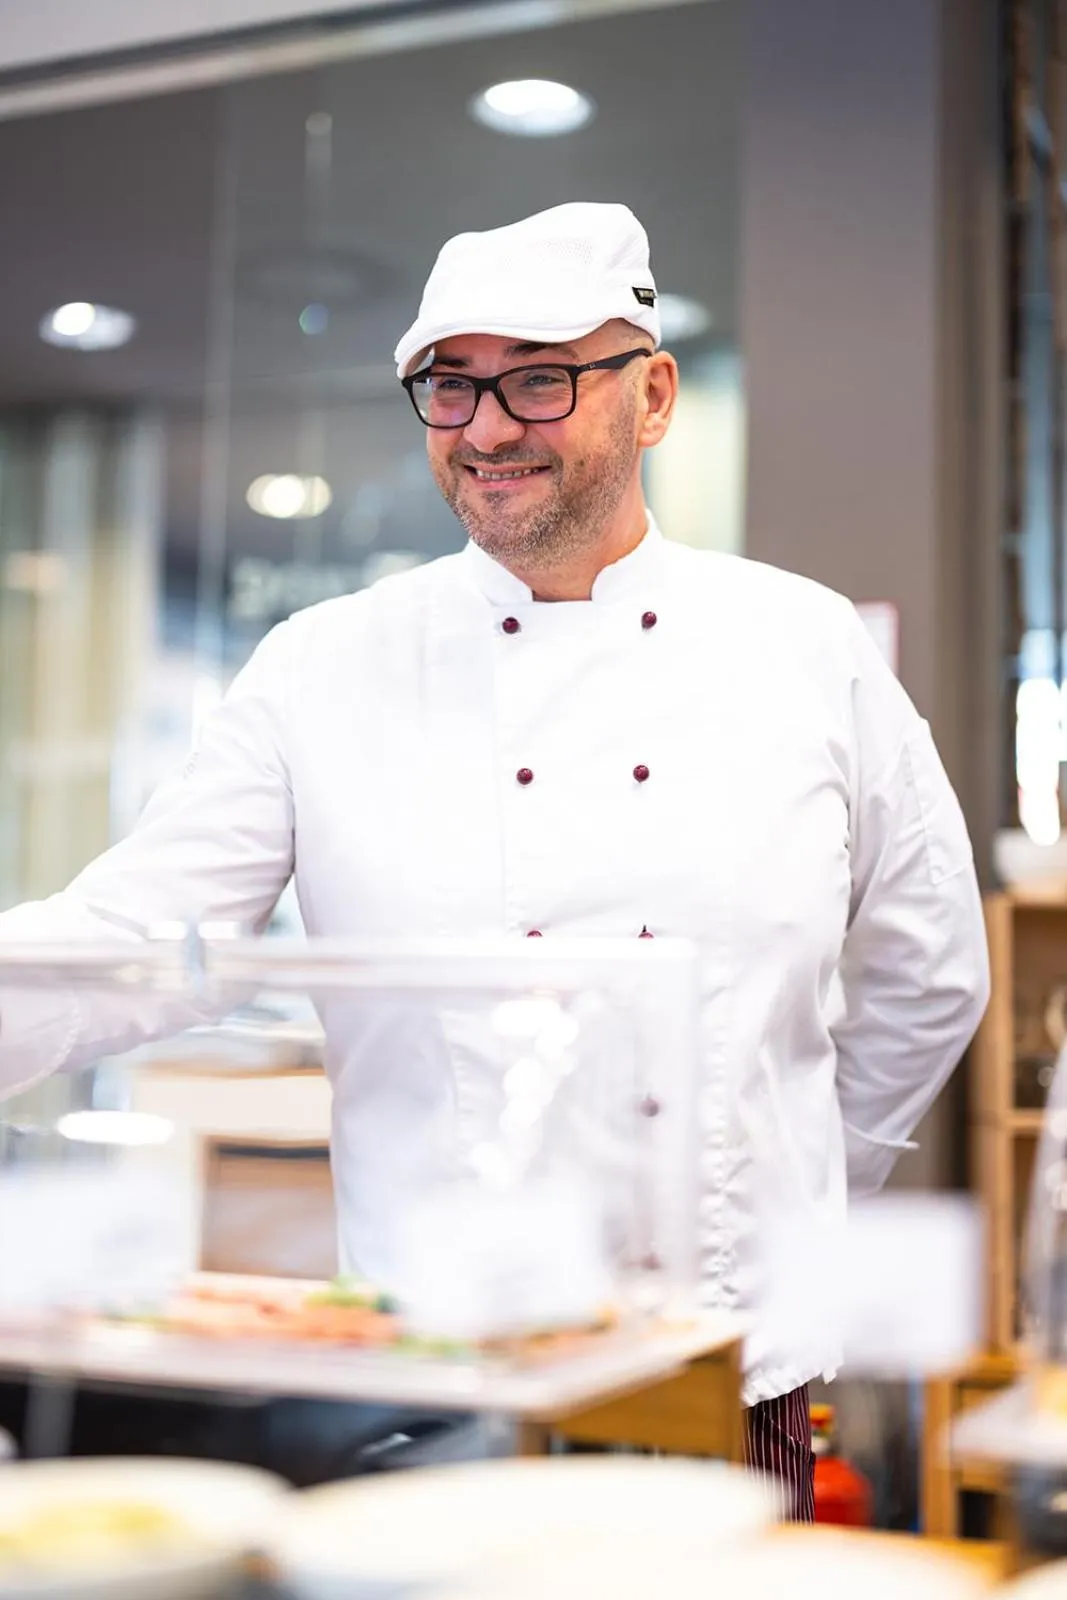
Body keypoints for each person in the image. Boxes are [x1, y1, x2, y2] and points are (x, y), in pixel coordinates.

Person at [0, 202, 989, 1518]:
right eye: (450, 384)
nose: (483, 427)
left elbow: (930, 969)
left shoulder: (804, 647)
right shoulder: (322, 665)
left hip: (731, 1352)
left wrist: (803, 1184)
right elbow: (139, 939)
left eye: (537, 379)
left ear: (652, 397)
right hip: (433, 1366)